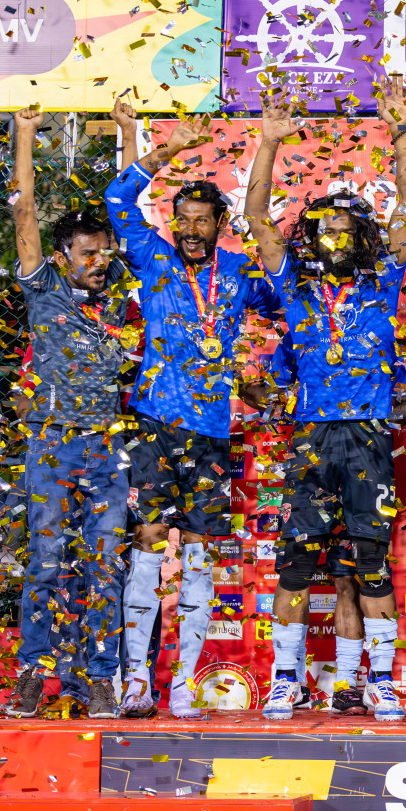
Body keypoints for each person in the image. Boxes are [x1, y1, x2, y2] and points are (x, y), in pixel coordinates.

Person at [244, 79, 406, 721]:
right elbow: (258, 222)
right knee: (296, 565)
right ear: (312, 239)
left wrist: (403, 128)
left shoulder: (385, 279)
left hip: (371, 436)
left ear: (364, 240)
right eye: (325, 233)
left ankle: (377, 680)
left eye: (348, 233)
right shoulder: (293, 290)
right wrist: (267, 143)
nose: (336, 242)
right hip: (312, 437)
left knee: (372, 566)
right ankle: (286, 679)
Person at [105, 116, 281, 720]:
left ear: (221, 226)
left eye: (202, 220)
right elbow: (116, 198)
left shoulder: (238, 273)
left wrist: (268, 374)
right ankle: (135, 681)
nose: (190, 229)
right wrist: (167, 150)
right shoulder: (152, 259)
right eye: (182, 219)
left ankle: (183, 683)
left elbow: (294, 304)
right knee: (150, 545)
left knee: (202, 555)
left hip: (211, 431)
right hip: (154, 423)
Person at [3, 106, 133, 720]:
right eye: (86, 253)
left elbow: (129, 205)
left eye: (103, 253)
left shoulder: (124, 294)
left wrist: (130, 133)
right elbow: (22, 210)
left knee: (104, 566)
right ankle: (34, 674)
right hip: (53, 441)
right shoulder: (44, 287)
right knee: (48, 560)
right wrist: (26, 133)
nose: (97, 262)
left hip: (108, 447)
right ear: (61, 255)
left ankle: (98, 680)